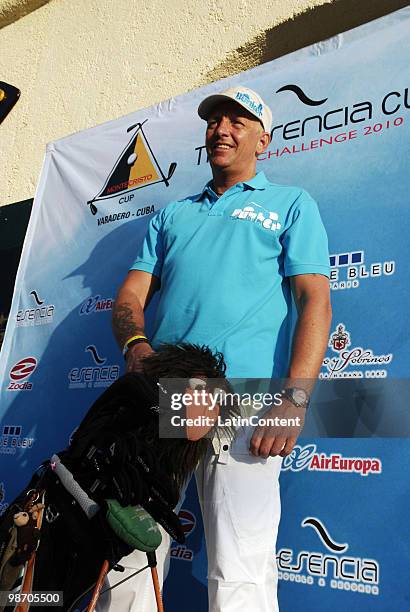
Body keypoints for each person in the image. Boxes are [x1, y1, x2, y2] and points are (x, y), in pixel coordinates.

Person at [110, 86, 332, 611]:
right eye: (214, 121)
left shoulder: (291, 204)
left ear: (264, 138)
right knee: (131, 555)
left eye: (238, 120)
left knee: (242, 563)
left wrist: (295, 399)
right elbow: (130, 296)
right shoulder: (172, 215)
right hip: (168, 395)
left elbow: (315, 302)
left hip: (246, 398)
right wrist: (136, 346)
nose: (222, 129)